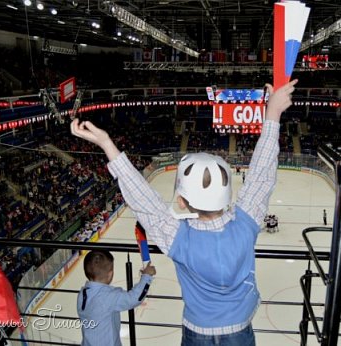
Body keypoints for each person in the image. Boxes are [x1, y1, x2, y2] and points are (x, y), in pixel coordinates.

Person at [71, 80, 297, 345]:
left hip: (197, 332)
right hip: (239, 331)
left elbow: (144, 201)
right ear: (226, 195)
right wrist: (272, 115)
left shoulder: (178, 237)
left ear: (181, 201)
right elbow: (261, 177)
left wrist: (106, 143)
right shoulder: (246, 224)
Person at [77, 250, 156, 346]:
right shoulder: (109, 297)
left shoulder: (82, 293)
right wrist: (147, 276)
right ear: (110, 274)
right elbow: (134, 298)